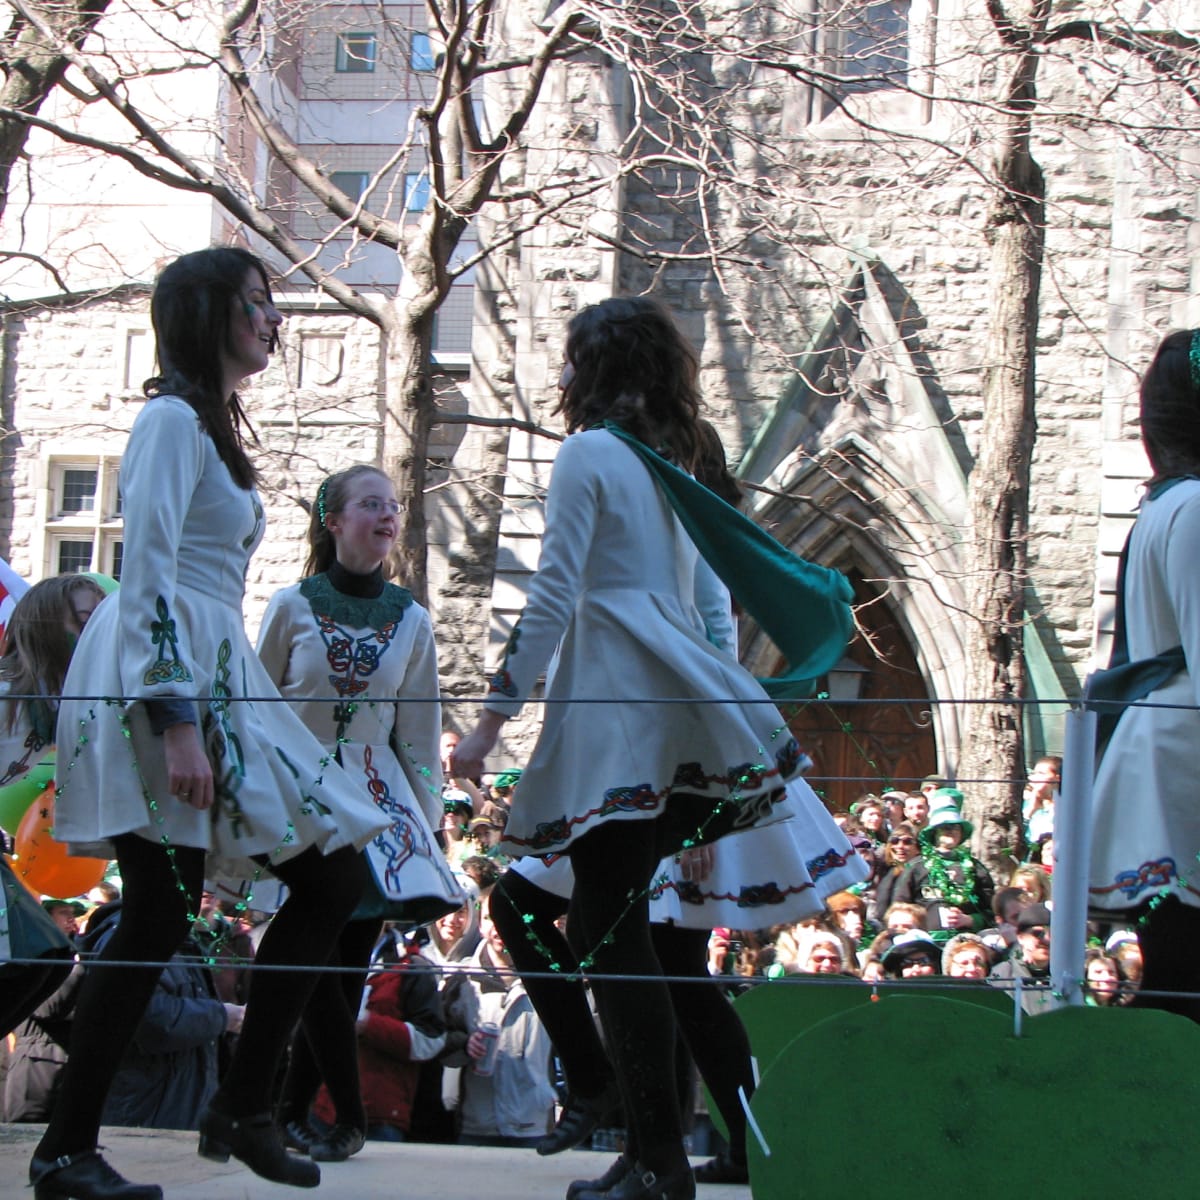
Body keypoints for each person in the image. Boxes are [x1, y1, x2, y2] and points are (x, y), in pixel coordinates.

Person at [451, 297, 849, 1200]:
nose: (559, 378)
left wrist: (489, 719)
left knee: (617, 933)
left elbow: (551, 595)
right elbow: (711, 601)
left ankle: (652, 1156)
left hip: (613, 707)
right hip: (679, 696)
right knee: (614, 929)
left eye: (568, 359)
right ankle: (644, 1139)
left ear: (592, 368)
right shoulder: (679, 459)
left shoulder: (591, 453)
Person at [31, 246, 391, 1199]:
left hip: (206, 670)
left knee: (304, 881)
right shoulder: (168, 423)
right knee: (165, 910)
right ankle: (87, 1144)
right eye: (255, 304)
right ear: (206, 316)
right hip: (169, 679)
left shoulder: (197, 427)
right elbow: (145, 569)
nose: (273, 320)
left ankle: (233, 1105)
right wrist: (176, 718)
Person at [256, 462, 464, 1162]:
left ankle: (302, 1114)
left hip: (377, 802)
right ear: (333, 520)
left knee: (342, 964)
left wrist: (430, 818)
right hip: (298, 795)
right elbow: (258, 710)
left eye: (394, 506)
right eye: (370, 504)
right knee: (313, 958)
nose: (387, 516)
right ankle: (326, 1113)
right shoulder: (289, 605)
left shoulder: (411, 618)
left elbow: (420, 725)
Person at [1089, 332, 1200, 1021]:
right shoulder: (1190, 507)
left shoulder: (1169, 504)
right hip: (1181, 760)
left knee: (1178, 970)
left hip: (1166, 746)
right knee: (1182, 973)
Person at [893, 798, 996, 937]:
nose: (951, 831)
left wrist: (970, 920)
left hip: (967, 945)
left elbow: (992, 911)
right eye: (945, 827)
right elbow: (899, 908)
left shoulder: (975, 867)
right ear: (935, 832)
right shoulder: (916, 867)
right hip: (927, 944)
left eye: (956, 827)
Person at [988, 903, 1056, 1015]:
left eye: (1054, 934)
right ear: (1020, 937)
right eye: (1038, 933)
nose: (1047, 939)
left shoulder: (1066, 974)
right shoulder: (1003, 974)